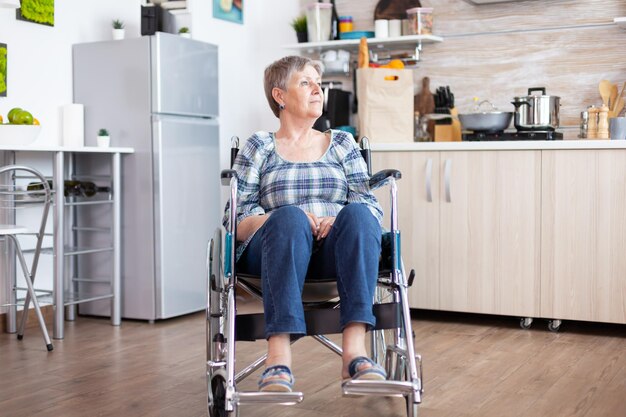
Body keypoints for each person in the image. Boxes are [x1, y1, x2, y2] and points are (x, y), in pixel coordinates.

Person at [223, 55, 386, 392]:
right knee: (290, 218)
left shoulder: (342, 143)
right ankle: (278, 359)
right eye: (305, 82)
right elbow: (235, 220)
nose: (317, 89)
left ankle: (355, 354)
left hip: (335, 251)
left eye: (318, 83)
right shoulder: (260, 146)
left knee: (357, 214)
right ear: (279, 95)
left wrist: (335, 218)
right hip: (274, 249)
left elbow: (369, 205)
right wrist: (277, 218)